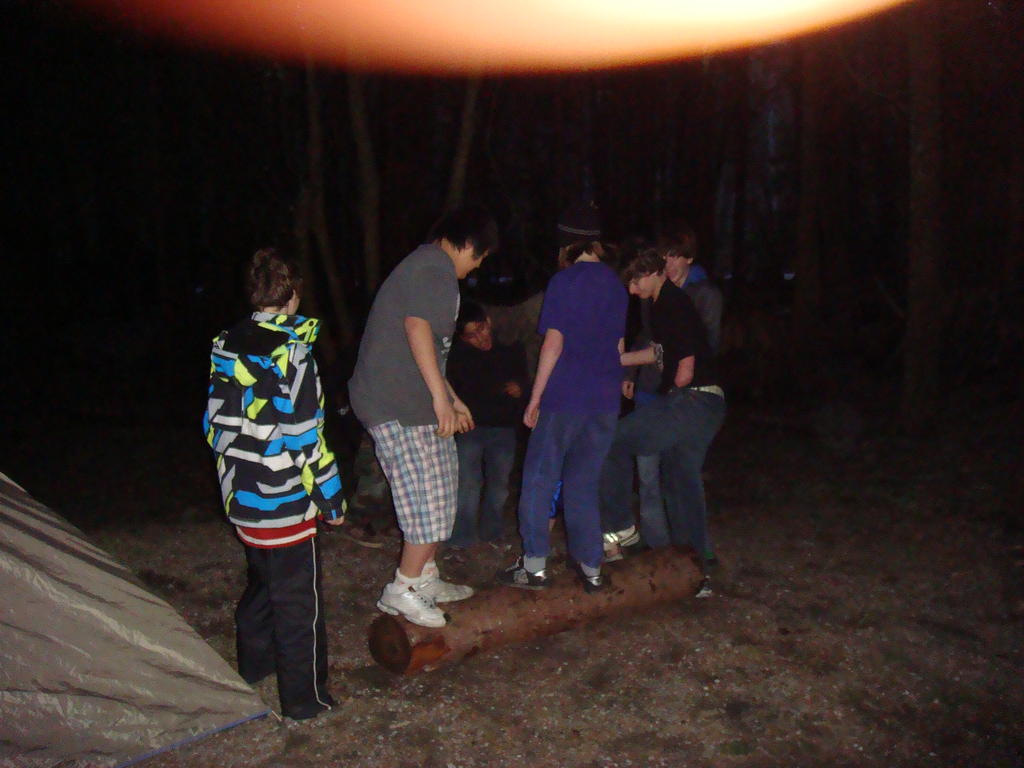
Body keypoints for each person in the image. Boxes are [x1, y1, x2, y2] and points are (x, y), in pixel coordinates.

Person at [203, 247, 344, 720]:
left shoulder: (225, 343)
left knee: (263, 583)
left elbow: (213, 422)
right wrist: (330, 498)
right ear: (293, 293)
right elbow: (305, 437)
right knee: (298, 603)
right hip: (283, 501)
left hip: (242, 495)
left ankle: (255, 665)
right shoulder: (292, 353)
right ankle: (306, 700)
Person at [348, 205, 498, 627]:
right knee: (426, 502)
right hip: (397, 403)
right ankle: (403, 589)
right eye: (481, 255)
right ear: (468, 243)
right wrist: (439, 400)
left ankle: (426, 576)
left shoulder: (430, 268)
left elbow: (430, 348)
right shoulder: (433, 267)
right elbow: (416, 328)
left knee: (444, 489)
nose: (479, 265)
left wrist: (452, 398)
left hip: (415, 400)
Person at [498, 239, 627, 593]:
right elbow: (617, 348)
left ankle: (534, 566)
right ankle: (591, 567)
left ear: (568, 244)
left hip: (565, 396)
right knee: (583, 482)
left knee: (539, 478)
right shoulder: (616, 285)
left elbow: (553, 343)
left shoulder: (564, 281)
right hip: (604, 401)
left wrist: (535, 397)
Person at [599, 249, 725, 597]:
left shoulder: (671, 303)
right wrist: (616, 360)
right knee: (681, 482)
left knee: (612, 441)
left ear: (653, 273)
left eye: (635, 283)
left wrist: (671, 397)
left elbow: (684, 368)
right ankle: (696, 568)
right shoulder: (665, 305)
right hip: (710, 402)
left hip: (691, 401)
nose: (632, 291)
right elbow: (658, 353)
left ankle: (621, 529)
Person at [446, 301, 529, 548]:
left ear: (488, 322)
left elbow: (524, 381)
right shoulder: (458, 357)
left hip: (504, 428)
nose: (480, 338)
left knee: (499, 484)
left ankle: (492, 531)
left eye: (481, 329)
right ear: (463, 338)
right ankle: (462, 535)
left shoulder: (510, 348)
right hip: (471, 428)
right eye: (472, 335)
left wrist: (520, 389)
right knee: (468, 483)